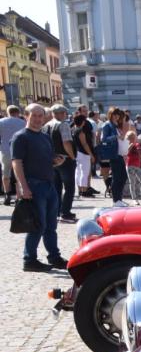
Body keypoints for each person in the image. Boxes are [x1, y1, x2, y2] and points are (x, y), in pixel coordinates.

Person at [11, 104, 68, 271]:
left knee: (51, 225)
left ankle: (54, 257)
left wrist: (56, 161)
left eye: (40, 116)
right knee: (38, 225)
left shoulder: (44, 136)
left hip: (49, 185)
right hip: (34, 185)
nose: (37, 119)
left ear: (44, 118)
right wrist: (23, 187)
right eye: (34, 115)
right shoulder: (20, 137)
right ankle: (29, 260)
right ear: (26, 116)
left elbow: (48, 158)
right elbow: (17, 162)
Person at [45, 104, 78, 222]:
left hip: (52, 160)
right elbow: (66, 143)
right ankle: (65, 213)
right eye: (64, 113)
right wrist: (72, 156)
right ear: (59, 113)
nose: (65, 115)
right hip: (64, 159)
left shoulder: (46, 125)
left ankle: (57, 211)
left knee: (56, 187)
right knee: (69, 187)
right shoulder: (63, 125)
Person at [0, 105, 26, 205]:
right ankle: (19, 195)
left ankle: (7, 194)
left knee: (5, 173)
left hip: (5, 150)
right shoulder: (22, 122)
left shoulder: (1, 122)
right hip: (19, 151)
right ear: (18, 113)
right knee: (19, 173)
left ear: (8, 112)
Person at [71, 113, 98, 198]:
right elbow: (85, 144)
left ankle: (80, 190)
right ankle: (84, 190)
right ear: (82, 122)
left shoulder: (74, 129)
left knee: (78, 172)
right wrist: (91, 155)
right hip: (84, 153)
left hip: (77, 153)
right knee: (85, 172)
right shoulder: (81, 131)